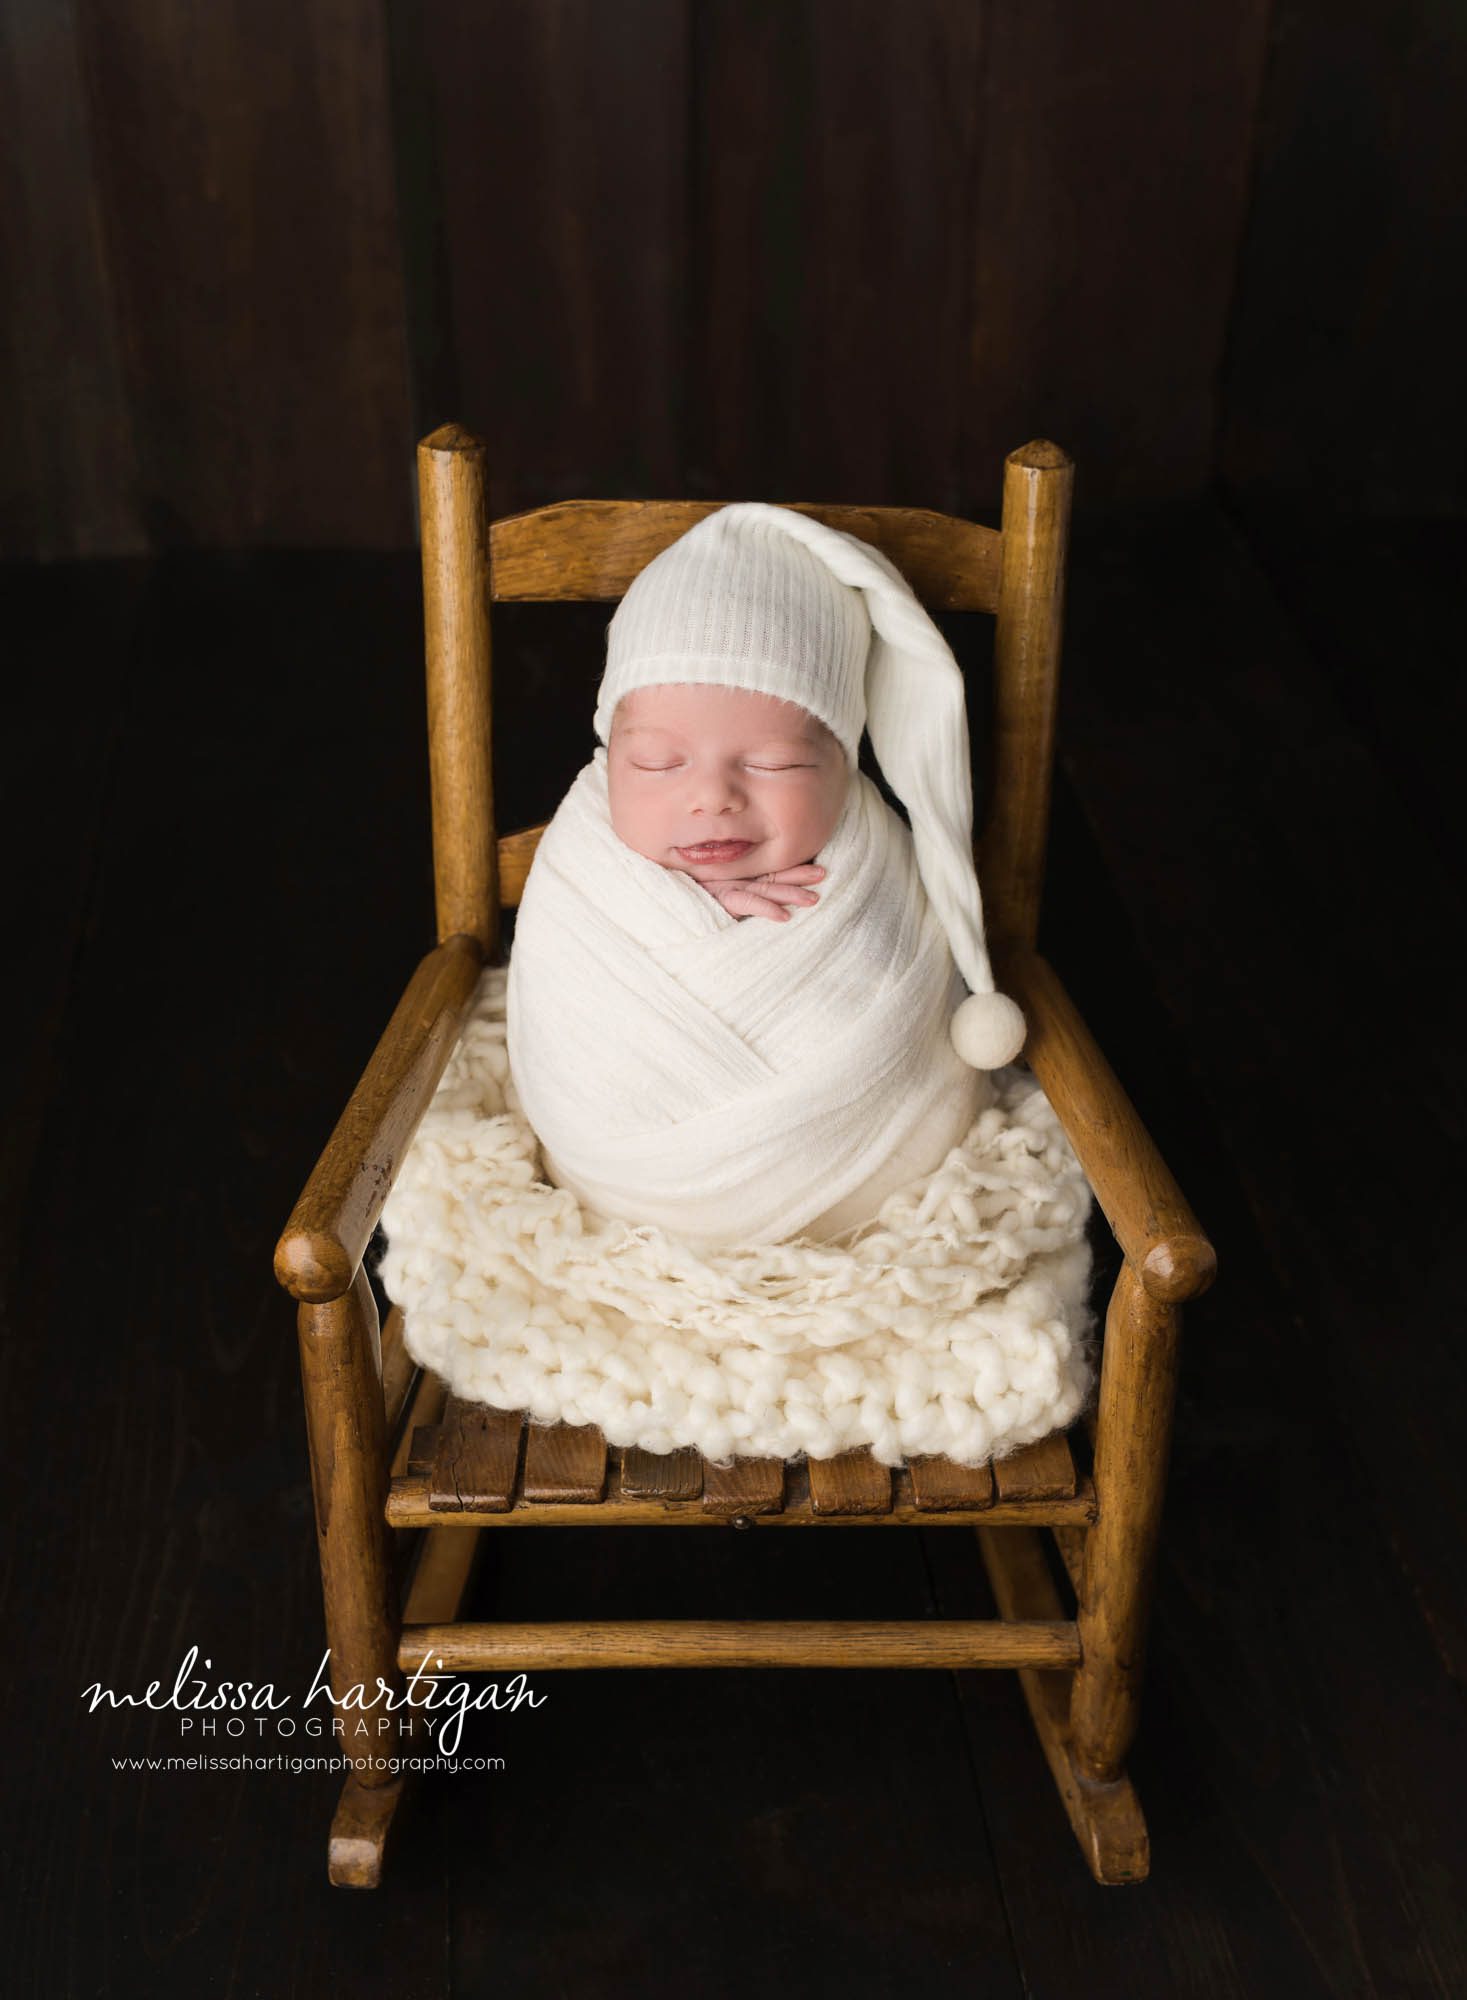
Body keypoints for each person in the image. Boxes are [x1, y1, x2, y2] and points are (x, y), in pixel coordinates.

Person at [505, 501, 1027, 1251]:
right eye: (657, 763)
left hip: (873, 1220)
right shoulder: (582, 856)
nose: (711, 796)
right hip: (608, 1205)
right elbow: (562, 1002)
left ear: (844, 764)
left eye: (772, 763)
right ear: (610, 754)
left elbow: (903, 1022)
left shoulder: (874, 859)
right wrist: (683, 903)